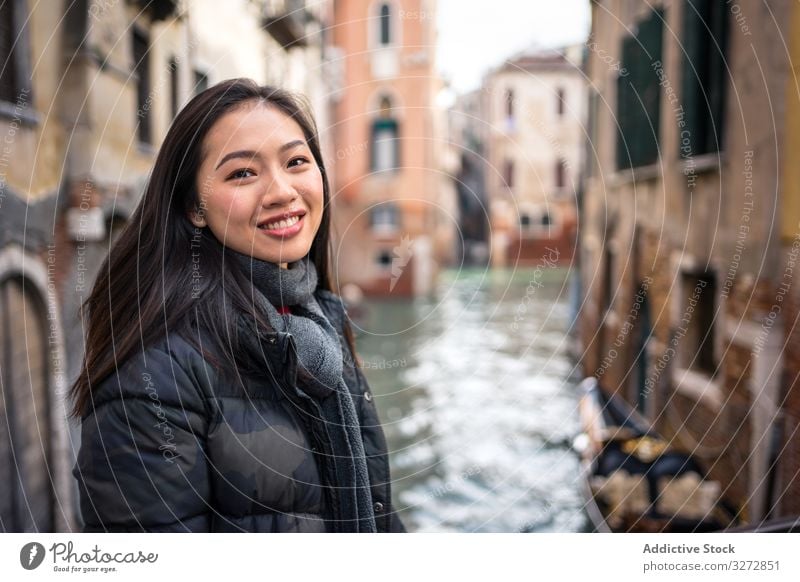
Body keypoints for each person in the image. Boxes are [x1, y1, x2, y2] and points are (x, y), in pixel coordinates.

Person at [69, 78, 405, 533]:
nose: (282, 190)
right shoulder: (154, 374)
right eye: (243, 173)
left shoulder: (319, 322)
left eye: (296, 162)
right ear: (195, 208)